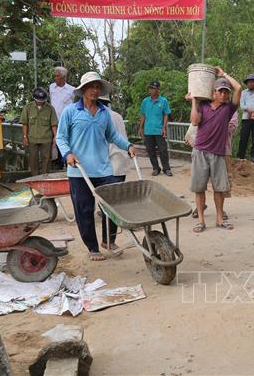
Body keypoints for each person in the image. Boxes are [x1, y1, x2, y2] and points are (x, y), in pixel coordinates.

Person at [56, 72, 135, 261]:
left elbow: (112, 136)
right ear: (83, 89)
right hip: (79, 170)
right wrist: (67, 154)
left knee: (112, 206)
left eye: (98, 87)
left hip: (103, 168)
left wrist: (128, 146)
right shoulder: (71, 111)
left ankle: (109, 240)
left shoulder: (104, 113)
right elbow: (61, 137)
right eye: (91, 86)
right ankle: (92, 247)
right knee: (84, 210)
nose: (94, 90)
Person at [188, 68, 242, 232]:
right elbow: (195, 122)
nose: (225, 95)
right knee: (199, 188)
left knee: (219, 189)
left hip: (218, 154)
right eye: (221, 92)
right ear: (213, 93)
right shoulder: (203, 106)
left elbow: (239, 88)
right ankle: (201, 221)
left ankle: (219, 220)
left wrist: (224, 74)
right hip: (200, 152)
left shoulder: (228, 109)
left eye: (226, 92)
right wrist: (194, 101)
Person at [98, 94, 131, 252]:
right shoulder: (117, 116)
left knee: (108, 205)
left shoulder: (98, 117)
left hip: (108, 164)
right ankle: (109, 239)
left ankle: (108, 241)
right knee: (111, 203)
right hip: (120, 163)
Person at [20, 87, 58, 176]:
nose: (40, 102)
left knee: (47, 158)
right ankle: (35, 177)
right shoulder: (28, 107)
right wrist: (25, 137)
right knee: (33, 159)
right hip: (32, 138)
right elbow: (25, 123)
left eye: (42, 100)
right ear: (34, 98)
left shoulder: (50, 108)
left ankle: (45, 177)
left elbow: (53, 124)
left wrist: (55, 137)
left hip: (46, 138)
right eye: (38, 100)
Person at [138, 81, 172, 176]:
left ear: (158, 89)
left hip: (159, 130)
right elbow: (143, 115)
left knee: (163, 150)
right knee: (150, 150)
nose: (151, 90)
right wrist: (141, 128)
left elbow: (166, 114)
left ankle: (166, 169)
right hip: (148, 130)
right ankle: (156, 168)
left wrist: (164, 128)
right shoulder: (145, 101)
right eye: (150, 88)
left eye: (153, 88)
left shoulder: (163, 101)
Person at [49, 66, 75, 168]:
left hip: (66, 120)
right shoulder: (51, 87)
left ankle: (68, 161)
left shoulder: (71, 90)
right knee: (56, 141)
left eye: (57, 76)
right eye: (55, 76)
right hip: (54, 120)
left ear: (63, 77)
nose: (55, 78)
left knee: (66, 140)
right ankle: (59, 162)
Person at [237, 74, 254, 161]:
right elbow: (242, 105)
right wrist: (249, 111)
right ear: (247, 83)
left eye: (252, 82)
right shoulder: (243, 93)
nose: (251, 84)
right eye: (249, 82)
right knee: (244, 137)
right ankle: (240, 156)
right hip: (246, 118)